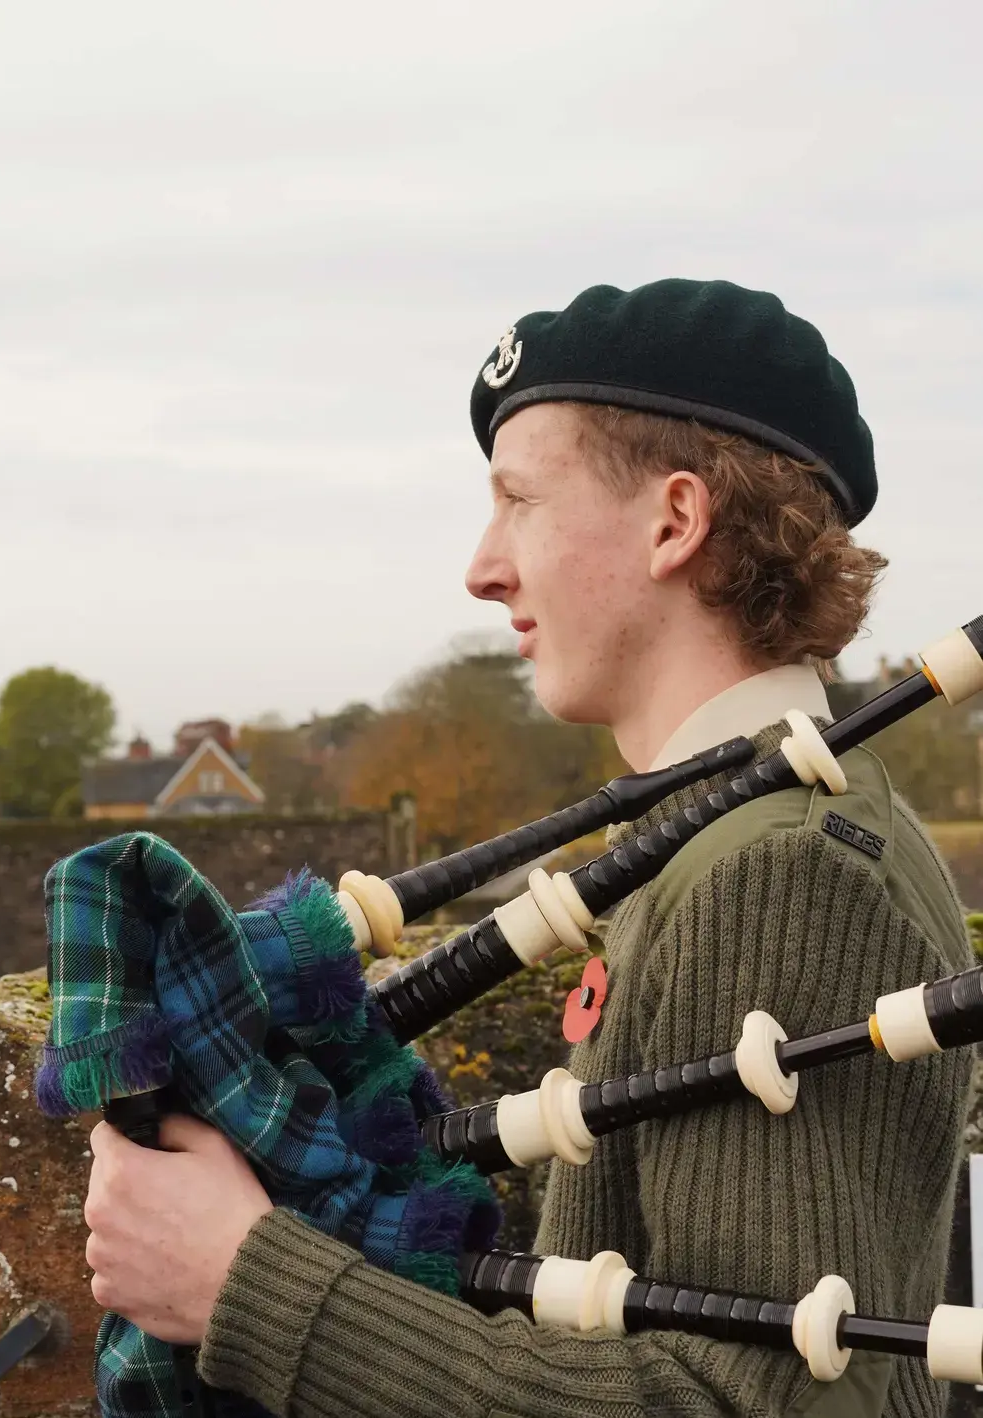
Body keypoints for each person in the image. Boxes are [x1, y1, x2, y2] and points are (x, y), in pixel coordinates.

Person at [84, 279, 974, 1418]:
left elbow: (755, 1403)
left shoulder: (780, 868)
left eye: (518, 498)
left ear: (674, 522)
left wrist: (249, 1287)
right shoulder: (720, 830)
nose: (483, 566)